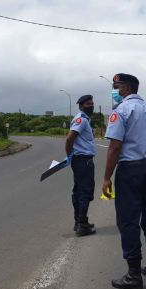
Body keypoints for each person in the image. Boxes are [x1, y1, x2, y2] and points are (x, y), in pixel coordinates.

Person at [103, 73, 146, 289]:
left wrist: (106, 178)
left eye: (116, 86)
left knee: (128, 220)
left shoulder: (120, 111)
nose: (115, 90)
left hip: (130, 169)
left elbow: (114, 147)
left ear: (127, 88)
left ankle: (133, 274)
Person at [65, 94, 97, 237]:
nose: (91, 106)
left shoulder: (84, 119)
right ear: (81, 106)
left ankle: (79, 221)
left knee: (78, 191)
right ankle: (82, 225)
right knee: (85, 192)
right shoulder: (81, 120)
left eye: (92, 103)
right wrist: (69, 154)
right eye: (88, 104)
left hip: (81, 160)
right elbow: (70, 137)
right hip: (83, 160)